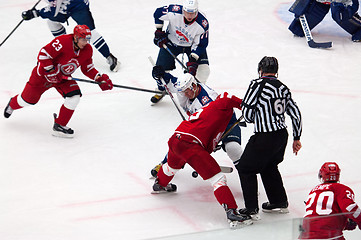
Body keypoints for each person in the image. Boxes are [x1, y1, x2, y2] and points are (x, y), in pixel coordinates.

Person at [152, 91, 252, 228]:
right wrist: (244, 105)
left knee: (171, 166)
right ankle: (232, 212)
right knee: (218, 179)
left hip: (176, 139)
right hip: (190, 144)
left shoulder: (209, 110)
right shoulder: (220, 104)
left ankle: (160, 184)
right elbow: (226, 97)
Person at [3, 25, 113, 138]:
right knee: (27, 100)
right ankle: (12, 104)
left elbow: (87, 68)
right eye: (83, 40)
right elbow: (43, 54)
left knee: (74, 97)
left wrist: (99, 78)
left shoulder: (87, 50)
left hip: (62, 78)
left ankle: (59, 125)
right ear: (75, 38)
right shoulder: (63, 41)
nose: (86, 43)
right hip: (42, 77)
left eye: (87, 40)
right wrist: (51, 71)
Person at [235, 56, 302, 220]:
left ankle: (251, 208)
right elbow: (295, 113)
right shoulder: (283, 88)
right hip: (281, 136)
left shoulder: (257, 84)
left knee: (245, 168)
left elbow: (248, 113)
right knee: (269, 166)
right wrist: (296, 138)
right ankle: (279, 201)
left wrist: (250, 115)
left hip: (265, 136)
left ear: (260, 70)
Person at [150, 66, 243, 178]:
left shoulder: (207, 100)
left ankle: (247, 175)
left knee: (233, 148)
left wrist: (202, 154)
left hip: (225, 123)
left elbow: (212, 128)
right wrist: (159, 74)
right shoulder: (185, 87)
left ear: (194, 86)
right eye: (183, 92)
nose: (185, 94)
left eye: (187, 91)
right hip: (204, 122)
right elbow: (170, 81)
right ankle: (165, 164)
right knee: (181, 140)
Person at [21, 0, 120, 72]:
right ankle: (66, 49)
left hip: (77, 5)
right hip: (65, 5)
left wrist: (36, 13)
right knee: (52, 22)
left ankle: (110, 57)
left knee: (89, 31)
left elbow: (54, 11)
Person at [150, 0, 210, 104]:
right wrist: (159, 30)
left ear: (197, 11)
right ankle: (161, 89)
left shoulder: (202, 23)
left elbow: (201, 44)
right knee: (160, 70)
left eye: (192, 13)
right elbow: (158, 13)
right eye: (187, 12)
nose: (189, 16)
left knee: (203, 70)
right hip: (172, 42)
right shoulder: (174, 11)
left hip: (191, 46)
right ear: (183, 10)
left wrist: (193, 59)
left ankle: (197, 92)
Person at [299, 162, 361, 239]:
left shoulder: (314, 191)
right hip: (329, 236)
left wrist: (347, 224)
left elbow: (319, 218)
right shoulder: (342, 189)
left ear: (321, 174)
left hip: (305, 236)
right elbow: (350, 208)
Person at [288, 0, 361, 42]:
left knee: (340, 15)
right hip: (321, 1)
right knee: (298, 29)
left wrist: (351, 8)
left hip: (340, 2)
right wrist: (300, 6)